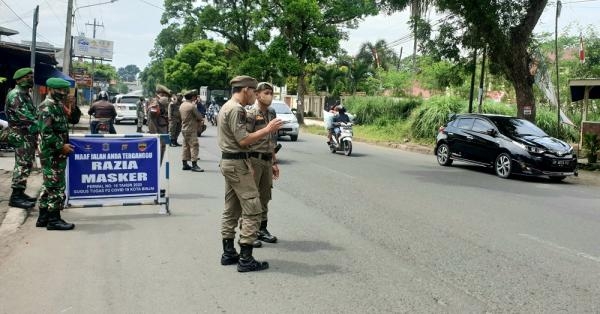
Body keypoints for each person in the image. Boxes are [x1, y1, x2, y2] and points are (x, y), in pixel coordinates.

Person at [218, 75, 283, 272]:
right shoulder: (237, 109)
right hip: (237, 163)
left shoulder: (226, 106)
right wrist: (268, 129)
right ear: (246, 89)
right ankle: (246, 259)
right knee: (253, 207)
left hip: (232, 161)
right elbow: (244, 140)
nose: (255, 95)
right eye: (254, 91)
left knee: (232, 206)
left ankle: (229, 252)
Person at [36, 78, 75, 230]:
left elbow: (72, 118)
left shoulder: (57, 105)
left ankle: (43, 217)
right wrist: (61, 146)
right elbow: (46, 133)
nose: (63, 93)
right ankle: (54, 220)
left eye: (65, 91)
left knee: (48, 186)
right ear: (51, 89)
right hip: (51, 152)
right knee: (56, 186)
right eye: (60, 90)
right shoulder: (46, 107)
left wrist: (71, 104)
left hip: (55, 152)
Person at [246, 82, 280, 246]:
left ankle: (262, 229)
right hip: (253, 159)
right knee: (251, 198)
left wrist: (274, 161)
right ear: (257, 94)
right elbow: (244, 140)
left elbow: (272, 139)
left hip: (267, 160)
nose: (269, 96)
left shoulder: (272, 113)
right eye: (266, 92)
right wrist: (248, 164)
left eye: (271, 93)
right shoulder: (251, 113)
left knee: (265, 196)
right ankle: (248, 233)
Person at [5, 67, 37, 209]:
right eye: (27, 76)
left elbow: (33, 113)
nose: (31, 78)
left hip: (26, 133)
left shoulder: (25, 94)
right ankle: (15, 197)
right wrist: (43, 124)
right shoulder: (16, 95)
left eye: (31, 76)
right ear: (19, 80)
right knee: (22, 164)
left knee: (27, 163)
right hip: (20, 134)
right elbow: (25, 116)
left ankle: (20, 192)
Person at [179, 89, 204, 172]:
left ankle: (184, 164)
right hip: (191, 128)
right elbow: (199, 116)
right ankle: (194, 165)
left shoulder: (182, 105)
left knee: (185, 146)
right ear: (193, 97)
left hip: (184, 128)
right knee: (194, 146)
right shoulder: (191, 106)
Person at [147, 84, 171, 163]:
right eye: (163, 95)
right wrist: (155, 136)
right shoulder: (155, 105)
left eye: (166, 96)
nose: (165, 97)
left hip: (162, 135)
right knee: (156, 159)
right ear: (158, 95)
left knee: (160, 157)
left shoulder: (163, 105)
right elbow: (151, 123)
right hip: (158, 137)